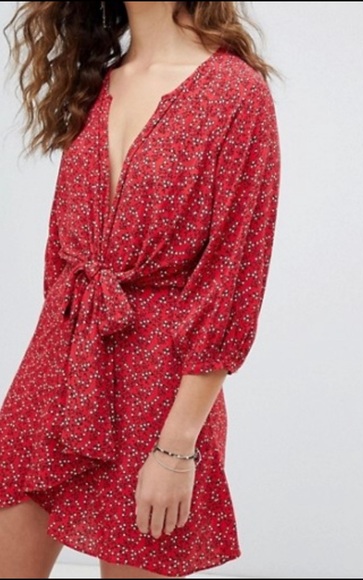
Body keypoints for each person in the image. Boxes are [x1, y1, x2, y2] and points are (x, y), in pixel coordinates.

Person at [0, 1, 281, 578]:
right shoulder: (98, 83)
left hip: (159, 389)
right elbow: (60, 257)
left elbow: (232, 279)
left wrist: (177, 448)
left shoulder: (236, 94)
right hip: (58, 368)